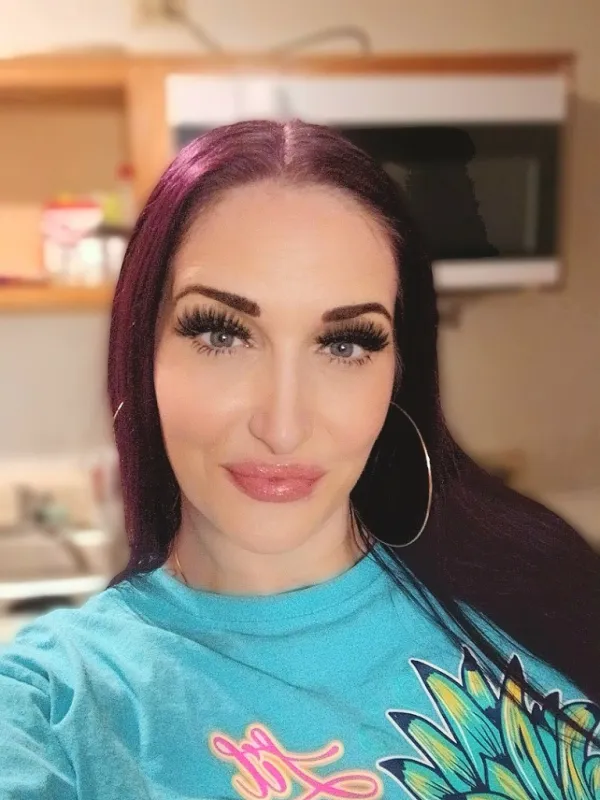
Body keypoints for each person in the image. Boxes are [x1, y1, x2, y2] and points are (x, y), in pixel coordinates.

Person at [0, 119, 599, 799]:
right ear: (146, 356)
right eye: (221, 334)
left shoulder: (540, 584)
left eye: (345, 344)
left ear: (398, 371)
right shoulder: (51, 710)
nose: (282, 429)